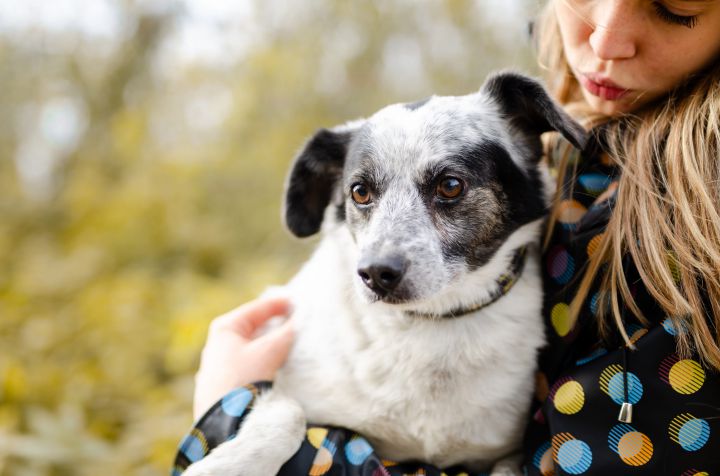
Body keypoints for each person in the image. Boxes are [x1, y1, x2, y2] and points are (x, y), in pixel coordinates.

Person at [173, 0, 720, 474]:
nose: (606, 40)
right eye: (363, 193)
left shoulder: (691, 223)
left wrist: (227, 413)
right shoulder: (562, 153)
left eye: (675, 8)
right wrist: (257, 423)